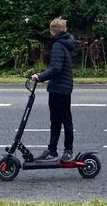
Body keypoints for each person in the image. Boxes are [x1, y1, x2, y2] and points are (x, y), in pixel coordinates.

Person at [31, 18, 76, 161]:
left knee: (62, 120)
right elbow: (57, 66)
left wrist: (40, 76)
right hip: (61, 87)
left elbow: (56, 68)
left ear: (51, 32)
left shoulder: (58, 44)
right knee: (58, 120)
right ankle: (53, 149)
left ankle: (65, 150)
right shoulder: (66, 43)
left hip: (60, 89)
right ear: (65, 30)